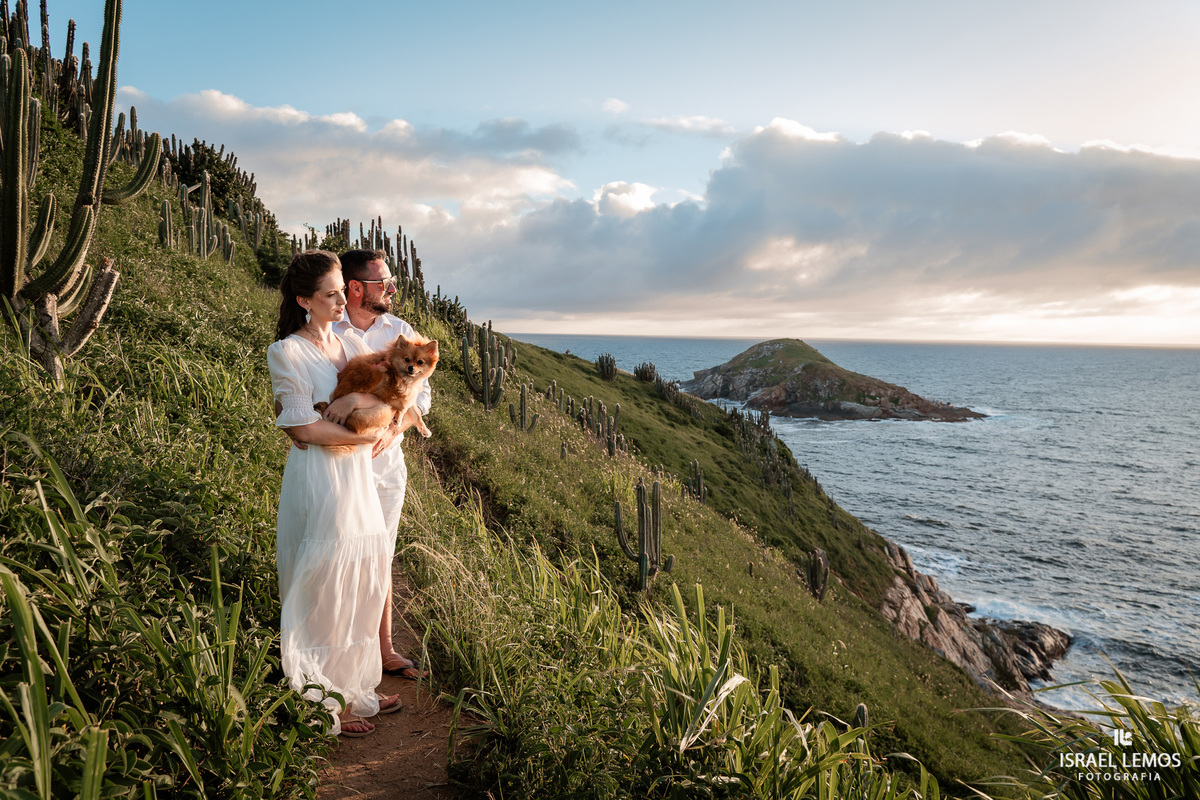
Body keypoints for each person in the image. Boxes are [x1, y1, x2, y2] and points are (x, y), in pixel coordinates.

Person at [267, 250, 402, 737]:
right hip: (321, 479)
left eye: (344, 291)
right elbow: (302, 429)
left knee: (359, 578)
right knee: (322, 585)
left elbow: (388, 399)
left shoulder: (345, 348)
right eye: (331, 295)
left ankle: (353, 686)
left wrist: (357, 405)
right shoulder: (287, 352)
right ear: (305, 300)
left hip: (356, 478)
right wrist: (365, 436)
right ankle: (322, 700)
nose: (343, 301)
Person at [333, 248, 431, 679]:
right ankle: (343, 653)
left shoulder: (402, 331)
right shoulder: (325, 326)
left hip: (388, 464)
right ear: (356, 288)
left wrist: (395, 430)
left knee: (381, 555)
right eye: (382, 283)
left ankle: (385, 648)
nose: (392, 288)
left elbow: (421, 396)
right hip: (339, 460)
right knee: (339, 556)